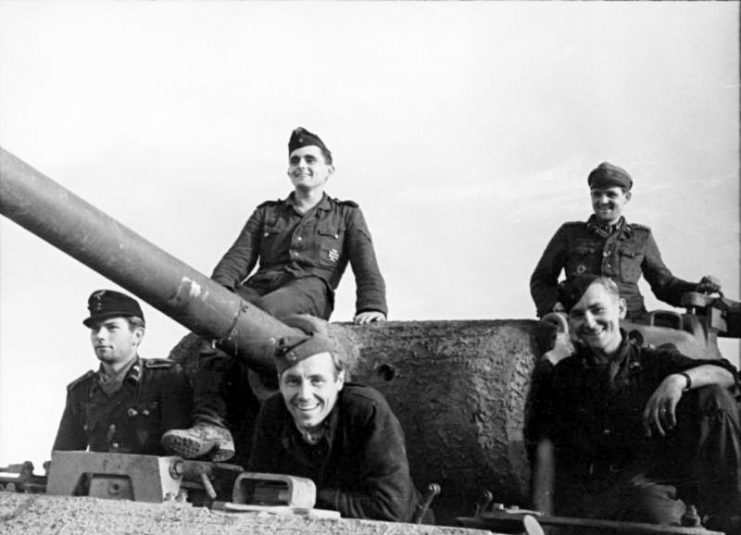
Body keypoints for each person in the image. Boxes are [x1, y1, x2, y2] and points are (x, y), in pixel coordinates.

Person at [162, 127, 388, 462]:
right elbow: (238, 257)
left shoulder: (346, 215)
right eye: (295, 160)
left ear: (329, 170)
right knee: (217, 325)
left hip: (309, 289)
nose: (302, 165)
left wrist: (373, 306)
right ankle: (211, 425)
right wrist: (215, 298)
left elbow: (365, 264)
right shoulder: (267, 213)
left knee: (260, 313)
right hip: (261, 284)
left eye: (311, 159)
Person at [529, 275, 740, 534]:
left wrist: (678, 380)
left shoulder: (654, 361)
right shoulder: (563, 375)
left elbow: (728, 374)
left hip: (658, 481)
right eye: (578, 314)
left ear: (620, 309)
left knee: (713, 396)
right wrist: (544, 519)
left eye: (597, 310)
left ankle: (730, 518)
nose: (590, 323)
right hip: (604, 491)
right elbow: (547, 448)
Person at [248, 314, 426, 523]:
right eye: (293, 381)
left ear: (339, 380)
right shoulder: (273, 412)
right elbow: (256, 490)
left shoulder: (366, 410)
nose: (304, 395)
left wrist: (306, 496)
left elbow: (390, 509)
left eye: (317, 381)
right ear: (280, 383)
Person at [530, 162, 721, 320]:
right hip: (583, 320)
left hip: (632, 321)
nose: (603, 201)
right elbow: (541, 279)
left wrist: (698, 288)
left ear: (626, 198)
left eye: (611, 194)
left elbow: (665, 285)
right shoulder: (569, 233)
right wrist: (554, 306)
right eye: (597, 194)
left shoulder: (641, 237)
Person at [52, 290, 192, 455]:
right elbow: (64, 459)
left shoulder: (165, 378)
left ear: (137, 335)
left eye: (112, 328)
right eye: (95, 329)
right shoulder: (80, 391)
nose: (100, 336)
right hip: (97, 479)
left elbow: (179, 456)